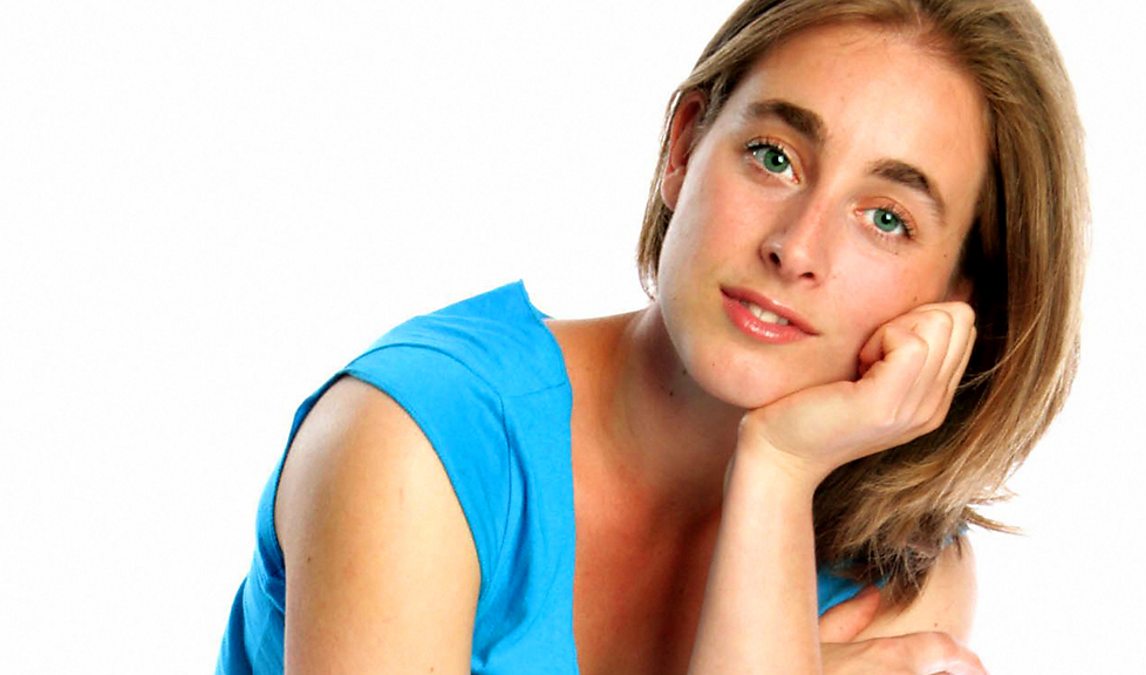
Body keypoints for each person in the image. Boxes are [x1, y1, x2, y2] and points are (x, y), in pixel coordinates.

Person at [217, 0, 1086, 672]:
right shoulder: (416, 443)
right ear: (684, 146)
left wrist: (777, 471)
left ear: (959, 298)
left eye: (886, 218)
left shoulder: (899, 573)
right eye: (774, 156)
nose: (796, 248)